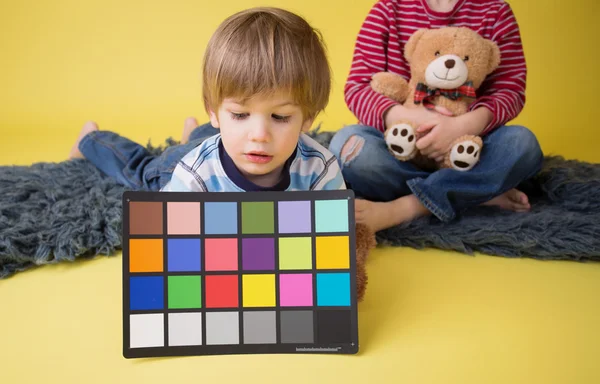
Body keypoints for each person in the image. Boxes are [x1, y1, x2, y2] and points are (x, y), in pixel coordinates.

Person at [69, 7, 344, 192]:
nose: (259, 135)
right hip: (188, 163)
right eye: (239, 114)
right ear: (213, 110)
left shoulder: (320, 169)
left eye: (280, 117)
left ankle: (196, 132)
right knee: (142, 173)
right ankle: (91, 139)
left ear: (308, 117)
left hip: (220, 139)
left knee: (216, 134)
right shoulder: (192, 176)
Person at [328, 0, 544, 231]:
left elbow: (510, 91)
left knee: (523, 144)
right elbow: (358, 88)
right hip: (398, 148)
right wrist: (406, 117)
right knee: (347, 146)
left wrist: (464, 125)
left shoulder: (496, 11)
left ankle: (406, 208)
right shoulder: (387, 9)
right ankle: (476, 191)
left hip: (467, 151)